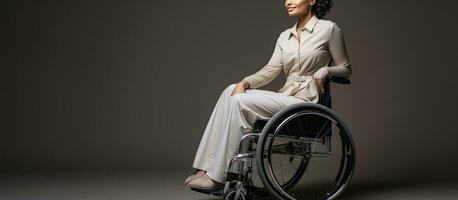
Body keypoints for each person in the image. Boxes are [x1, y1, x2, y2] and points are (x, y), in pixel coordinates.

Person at [185, 0, 352, 190]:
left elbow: (345, 68)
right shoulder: (284, 37)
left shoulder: (329, 29)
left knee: (240, 101)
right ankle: (206, 168)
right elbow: (271, 70)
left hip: (307, 101)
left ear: (312, 0)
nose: (288, 1)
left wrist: (326, 71)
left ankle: (218, 175)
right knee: (230, 91)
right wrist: (245, 82)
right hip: (288, 96)